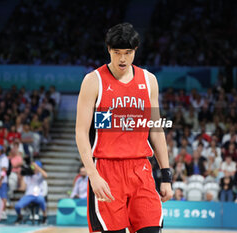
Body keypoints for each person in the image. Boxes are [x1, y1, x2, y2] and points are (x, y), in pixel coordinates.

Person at [75, 23, 173, 233]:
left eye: (128, 53)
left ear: (135, 51)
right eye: (117, 52)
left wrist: (166, 176)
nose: (122, 59)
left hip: (141, 169)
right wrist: (92, 175)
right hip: (107, 169)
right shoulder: (93, 81)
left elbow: (155, 130)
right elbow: (81, 133)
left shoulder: (149, 81)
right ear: (108, 49)